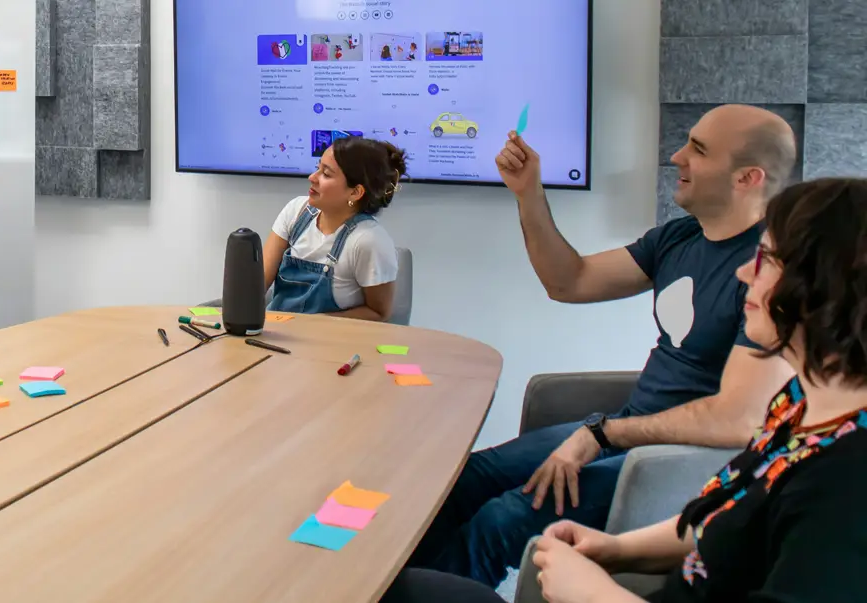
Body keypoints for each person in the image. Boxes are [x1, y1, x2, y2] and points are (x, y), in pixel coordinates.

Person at [383, 177, 867, 603]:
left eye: (767, 261)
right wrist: (619, 549)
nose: (745, 273)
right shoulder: (795, 406)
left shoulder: (845, 480)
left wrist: (593, 593)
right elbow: (723, 517)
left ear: (829, 286)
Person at [405, 104, 799, 586]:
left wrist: (601, 435)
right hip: (627, 432)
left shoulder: (770, 273)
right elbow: (569, 281)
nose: (676, 156)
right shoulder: (679, 238)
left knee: (502, 519)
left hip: (679, 464)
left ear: (747, 178)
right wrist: (529, 194)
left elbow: (740, 419)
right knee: (467, 478)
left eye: (697, 150)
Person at [263, 136, 405, 321]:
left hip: (328, 337)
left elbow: (379, 313)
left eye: (326, 174)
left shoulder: (368, 240)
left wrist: (310, 325)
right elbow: (258, 283)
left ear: (355, 192)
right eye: (317, 168)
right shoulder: (296, 211)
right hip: (277, 330)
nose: (312, 178)